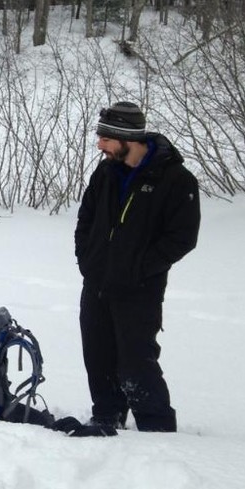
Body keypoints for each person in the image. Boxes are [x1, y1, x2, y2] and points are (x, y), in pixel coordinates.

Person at [74, 101, 200, 432]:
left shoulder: (175, 179)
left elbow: (183, 237)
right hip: (97, 282)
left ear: (127, 138)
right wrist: (87, 259)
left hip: (140, 289)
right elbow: (86, 218)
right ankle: (107, 417)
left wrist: (139, 269)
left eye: (105, 138)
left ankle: (157, 428)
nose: (99, 145)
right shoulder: (105, 172)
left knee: (136, 361)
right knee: (98, 356)